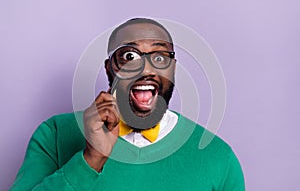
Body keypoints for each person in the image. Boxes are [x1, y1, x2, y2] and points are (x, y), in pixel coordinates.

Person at [10, 18, 245, 190]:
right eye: (130, 56)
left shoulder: (217, 157)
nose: (146, 69)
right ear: (109, 67)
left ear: (173, 69)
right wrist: (91, 159)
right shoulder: (55, 135)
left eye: (160, 58)